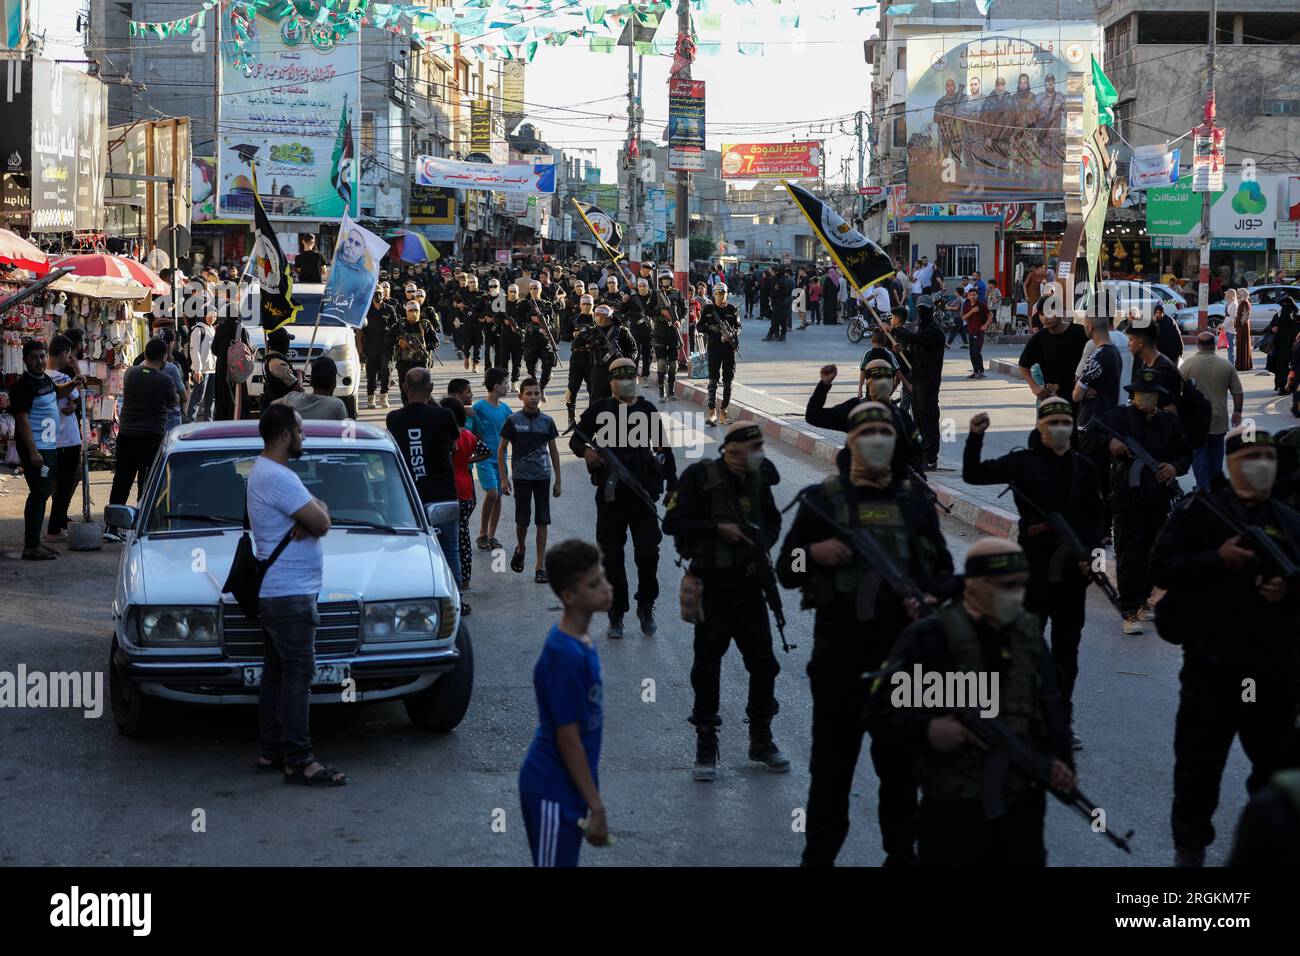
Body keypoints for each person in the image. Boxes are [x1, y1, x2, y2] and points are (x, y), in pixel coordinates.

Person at [778, 401, 957, 866]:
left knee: (901, 776)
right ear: (851, 441)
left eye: (885, 431)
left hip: (903, 665)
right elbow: (787, 569)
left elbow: (943, 572)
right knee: (831, 775)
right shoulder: (823, 501)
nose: (876, 439)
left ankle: (900, 857)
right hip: (840, 660)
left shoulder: (914, 502)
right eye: (867, 431)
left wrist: (930, 598)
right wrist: (814, 552)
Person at [870, 538, 1076, 867]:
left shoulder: (1028, 636)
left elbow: (1051, 706)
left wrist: (1061, 763)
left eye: (1021, 586)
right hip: (953, 809)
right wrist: (928, 728)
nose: (1016, 595)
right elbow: (880, 712)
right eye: (1006, 586)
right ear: (975, 585)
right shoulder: (929, 638)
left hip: (1022, 808)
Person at [1150, 427, 1300, 866]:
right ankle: (1190, 849)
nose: (1262, 464)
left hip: (1272, 672)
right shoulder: (1200, 513)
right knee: (1198, 768)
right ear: (1232, 464)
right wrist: (1217, 559)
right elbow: (1160, 566)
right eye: (1252, 456)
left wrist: (1285, 590)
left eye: (1268, 456)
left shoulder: (1290, 522)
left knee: (1277, 772)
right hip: (1211, 669)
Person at [963, 399, 1105, 744]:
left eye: (1066, 422)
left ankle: (1060, 718)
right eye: (1053, 422)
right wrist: (975, 436)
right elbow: (973, 474)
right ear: (1040, 427)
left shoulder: (1084, 467)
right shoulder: (1021, 463)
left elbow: (1098, 517)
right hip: (1032, 572)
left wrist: (1093, 556)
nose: (1060, 428)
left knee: (1066, 651)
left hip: (1072, 574)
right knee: (1026, 646)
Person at [664, 420, 789, 781]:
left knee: (764, 664)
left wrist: (759, 549)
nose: (758, 455)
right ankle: (706, 742)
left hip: (750, 589)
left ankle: (761, 738)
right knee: (707, 665)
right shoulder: (700, 477)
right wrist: (718, 529)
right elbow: (672, 523)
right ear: (732, 450)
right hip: (712, 586)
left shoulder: (759, 478)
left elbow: (772, 521)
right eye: (752, 449)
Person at [247, 404, 344, 786]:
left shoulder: (265, 472)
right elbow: (321, 521)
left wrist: (313, 513)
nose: (304, 438)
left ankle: (270, 751)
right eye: (300, 432)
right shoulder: (280, 477)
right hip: (290, 595)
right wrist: (314, 513)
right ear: (286, 434)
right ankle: (300, 760)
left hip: (277, 593)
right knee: (298, 677)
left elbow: (316, 517)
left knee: (276, 675)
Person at [518, 539, 612, 867]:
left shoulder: (582, 641)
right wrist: (597, 807)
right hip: (551, 789)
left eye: (603, 578)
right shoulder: (564, 656)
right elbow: (568, 740)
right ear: (569, 597)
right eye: (594, 584)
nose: (606, 588)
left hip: (570, 787)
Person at [1079, 367, 1192, 634]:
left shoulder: (1169, 423)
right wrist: (1109, 443)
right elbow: (1086, 439)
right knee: (1129, 553)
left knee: (1153, 552)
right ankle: (1129, 610)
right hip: (1126, 498)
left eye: (1152, 394)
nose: (1147, 398)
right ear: (1134, 395)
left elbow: (1185, 454)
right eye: (1142, 393)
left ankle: (1144, 602)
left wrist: (1174, 468)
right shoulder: (1117, 418)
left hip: (1158, 499)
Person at [569, 357, 666, 639]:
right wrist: (587, 453)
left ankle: (646, 603)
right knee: (612, 557)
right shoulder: (600, 409)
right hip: (612, 498)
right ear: (611, 382)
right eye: (620, 378)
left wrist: (659, 479)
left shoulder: (646, 409)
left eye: (630, 377)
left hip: (642, 494)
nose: (626, 383)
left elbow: (661, 449)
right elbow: (577, 437)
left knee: (648, 553)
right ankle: (617, 612)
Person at [388, 367, 462, 588]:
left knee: (410, 551)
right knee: (449, 551)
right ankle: (456, 599)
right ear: (430, 388)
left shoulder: (394, 419)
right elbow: (455, 438)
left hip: (409, 498)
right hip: (443, 495)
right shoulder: (443, 415)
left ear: (404, 388)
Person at [10, 340, 83, 559]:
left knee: (44, 491)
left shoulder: (45, 380)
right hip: (38, 448)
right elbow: (22, 421)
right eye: (34, 357)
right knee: (39, 493)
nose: (40, 361)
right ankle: (31, 545)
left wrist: (73, 383)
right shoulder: (22, 387)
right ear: (25, 360)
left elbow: (57, 392)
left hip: (50, 446)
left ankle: (35, 543)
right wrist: (32, 452)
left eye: (42, 356)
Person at [499, 379, 562, 583]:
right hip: (521, 477)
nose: (533, 397)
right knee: (522, 521)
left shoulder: (547, 421)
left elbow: (553, 451)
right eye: (529, 393)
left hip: (543, 476)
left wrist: (558, 480)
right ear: (521, 396)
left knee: (542, 521)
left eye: (537, 393)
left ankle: (539, 566)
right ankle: (521, 547)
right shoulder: (513, 420)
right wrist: (503, 478)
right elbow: (501, 450)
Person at [109, 338, 178, 512]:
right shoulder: (165, 379)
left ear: (145, 354)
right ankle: (142, 519)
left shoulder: (130, 373)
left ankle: (113, 523)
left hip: (126, 435)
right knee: (147, 481)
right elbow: (173, 402)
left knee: (122, 479)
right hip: (151, 437)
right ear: (164, 357)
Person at [1180, 332, 1243, 490]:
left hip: (1196, 421)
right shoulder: (1226, 366)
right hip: (1218, 419)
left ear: (1197, 344)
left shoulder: (1188, 365)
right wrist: (1237, 412)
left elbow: (1175, 391)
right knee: (1216, 454)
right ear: (1214, 344)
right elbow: (1238, 392)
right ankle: (1216, 488)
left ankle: (1203, 489)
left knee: (1199, 454)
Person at [888, 301, 945, 469]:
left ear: (930, 312)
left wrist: (894, 330)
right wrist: (902, 351)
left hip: (929, 382)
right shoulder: (919, 330)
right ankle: (922, 455)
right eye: (919, 310)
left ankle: (931, 458)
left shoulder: (934, 332)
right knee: (918, 419)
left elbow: (915, 339)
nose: (921, 314)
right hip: (916, 380)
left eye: (924, 310)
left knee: (928, 418)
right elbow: (912, 355)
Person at [43, 335, 85, 543]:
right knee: (64, 486)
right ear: (63, 354)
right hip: (67, 439)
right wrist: (77, 369)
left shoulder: (41, 377)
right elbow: (79, 393)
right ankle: (54, 528)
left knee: (53, 485)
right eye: (69, 354)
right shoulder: (61, 379)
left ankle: (57, 525)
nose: (70, 357)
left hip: (48, 439)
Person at [473, 367, 513, 553]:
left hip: (501, 460)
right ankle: (482, 533)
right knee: (492, 494)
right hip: (485, 458)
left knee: (498, 498)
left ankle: (491, 535)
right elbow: (470, 426)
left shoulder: (506, 409)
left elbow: (514, 430)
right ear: (497, 387)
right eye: (506, 383)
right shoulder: (479, 407)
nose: (508, 386)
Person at [1018, 305, 1089, 405]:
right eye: (1041, 314)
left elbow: (1097, 361)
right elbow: (1023, 365)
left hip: (1080, 401)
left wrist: (1090, 387)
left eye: (1049, 313)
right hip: (1051, 401)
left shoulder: (1080, 332)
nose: (1045, 318)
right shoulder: (1039, 338)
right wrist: (1035, 388)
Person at [1071, 312, 1123, 429]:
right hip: (1108, 418)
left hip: (1091, 422)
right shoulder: (1114, 352)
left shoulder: (1097, 357)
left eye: (1084, 326)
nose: (1084, 329)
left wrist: (1082, 392)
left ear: (1090, 327)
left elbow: (1076, 395)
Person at [699, 284, 741, 426]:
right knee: (713, 380)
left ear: (727, 294)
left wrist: (732, 334)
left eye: (722, 293)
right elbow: (699, 326)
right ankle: (712, 411)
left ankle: (724, 411)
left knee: (728, 381)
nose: (720, 296)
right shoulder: (708, 309)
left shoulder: (732, 309)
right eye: (717, 293)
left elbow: (739, 326)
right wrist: (713, 328)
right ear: (714, 294)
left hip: (728, 349)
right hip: (713, 348)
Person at [390, 301, 438, 405]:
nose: (413, 313)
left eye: (415, 310)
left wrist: (426, 346)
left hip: (421, 362)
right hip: (404, 362)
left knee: (423, 389)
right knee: (405, 390)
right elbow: (387, 339)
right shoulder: (400, 325)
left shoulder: (425, 324)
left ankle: (423, 409)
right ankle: (407, 410)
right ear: (406, 312)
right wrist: (399, 341)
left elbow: (435, 341)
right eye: (410, 310)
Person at [274, 356, 347, 421]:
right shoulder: (337, 406)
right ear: (334, 385)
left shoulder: (290, 399)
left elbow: (271, 406)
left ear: (311, 382)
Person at [520, 280, 559, 401]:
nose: (534, 291)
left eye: (536, 288)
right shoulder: (525, 304)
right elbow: (518, 318)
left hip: (544, 339)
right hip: (530, 339)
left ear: (540, 289)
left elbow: (553, 322)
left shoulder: (547, 304)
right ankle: (537, 387)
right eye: (531, 288)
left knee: (548, 364)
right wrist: (530, 318)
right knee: (531, 367)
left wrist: (547, 328)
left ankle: (541, 388)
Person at [652, 269, 686, 399]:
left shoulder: (677, 294)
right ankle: (662, 390)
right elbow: (648, 310)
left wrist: (679, 321)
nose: (666, 282)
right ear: (660, 281)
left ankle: (671, 390)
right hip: (660, 331)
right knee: (661, 362)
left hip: (673, 333)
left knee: (673, 364)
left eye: (668, 280)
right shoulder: (656, 294)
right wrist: (661, 313)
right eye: (663, 280)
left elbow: (685, 310)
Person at [361, 288, 395, 410]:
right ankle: (371, 397)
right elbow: (360, 330)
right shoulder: (366, 310)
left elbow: (395, 327)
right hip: (371, 346)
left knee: (386, 370)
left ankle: (384, 395)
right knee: (371, 373)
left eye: (380, 293)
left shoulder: (389, 309)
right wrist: (360, 349)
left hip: (386, 347)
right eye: (375, 294)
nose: (378, 296)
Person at [188, 307, 219, 422]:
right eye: (211, 316)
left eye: (215, 316)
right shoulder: (198, 329)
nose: (213, 319)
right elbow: (194, 350)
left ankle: (209, 423)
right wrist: (197, 369)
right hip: (202, 370)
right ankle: (190, 422)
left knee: (211, 399)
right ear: (205, 315)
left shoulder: (212, 329)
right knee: (198, 398)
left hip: (212, 370)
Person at [622, 276, 656, 381]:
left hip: (648, 329)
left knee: (647, 352)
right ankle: (634, 373)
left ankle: (645, 373)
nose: (642, 288)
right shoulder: (632, 298)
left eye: (644, 286)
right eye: (640, 286)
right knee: (635, 351)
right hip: (635, 329)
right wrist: (624, 301)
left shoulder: (653, 298)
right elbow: (623, 310)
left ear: (648, 286)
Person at [259, 328, 297, 415]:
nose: (289, 344)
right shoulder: (277, 363)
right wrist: (298, 373)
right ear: (282, 343)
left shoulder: (273, 358)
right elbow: (296, 386)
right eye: (287, 340)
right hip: (279, 408)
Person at [1266, 293, 1298, 393]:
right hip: (1279, 346)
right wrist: (1272, 329)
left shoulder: (1296, 316)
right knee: (1280, 367)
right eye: (1283, 305)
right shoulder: (1278, 315)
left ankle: (1288, 387)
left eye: (1287, 305)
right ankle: (1281, 386)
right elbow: (1268, 328)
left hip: (1293, 347)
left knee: (1290, 367)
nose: (1285, 307)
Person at [960, 286, 991, 379]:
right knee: (971, 352)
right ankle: (976, 371)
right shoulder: (966, 305)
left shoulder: (981, 304)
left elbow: (990, 315)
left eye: (974, 294)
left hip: (979, 332)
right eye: (971, 295)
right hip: (971, 331)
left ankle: (980, 371)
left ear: (977, 295)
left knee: (976, 351)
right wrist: (972, 311)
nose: (972, 296)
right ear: (968, 296)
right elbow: (963, 317)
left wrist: (985, 325)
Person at [1234, 288, 1254, 372]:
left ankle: (1243, 365)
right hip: (1241, 325)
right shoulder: (1242, 302)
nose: (1237, 295)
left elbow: (1246, 316)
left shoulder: (1245, 302)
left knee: (1243, 344)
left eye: (1238, 293)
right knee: (1240, 344)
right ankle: (1240, 364)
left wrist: (1239, 323)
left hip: (1243, 326)